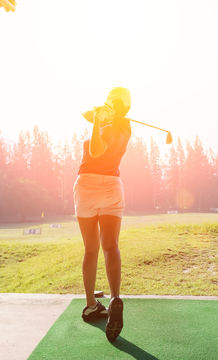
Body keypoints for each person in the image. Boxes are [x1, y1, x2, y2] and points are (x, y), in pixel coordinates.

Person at [73, 87, 132, 342]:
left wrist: (98, 119)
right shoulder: (124, 126)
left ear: (111, 105)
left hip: (87, 186)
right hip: (112, 187)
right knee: (111, 246)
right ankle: (115, 298)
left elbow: (96, 150)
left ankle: (91, 306)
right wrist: (98, 114)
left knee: (90, 250)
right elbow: (85, 113)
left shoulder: (107, 126)